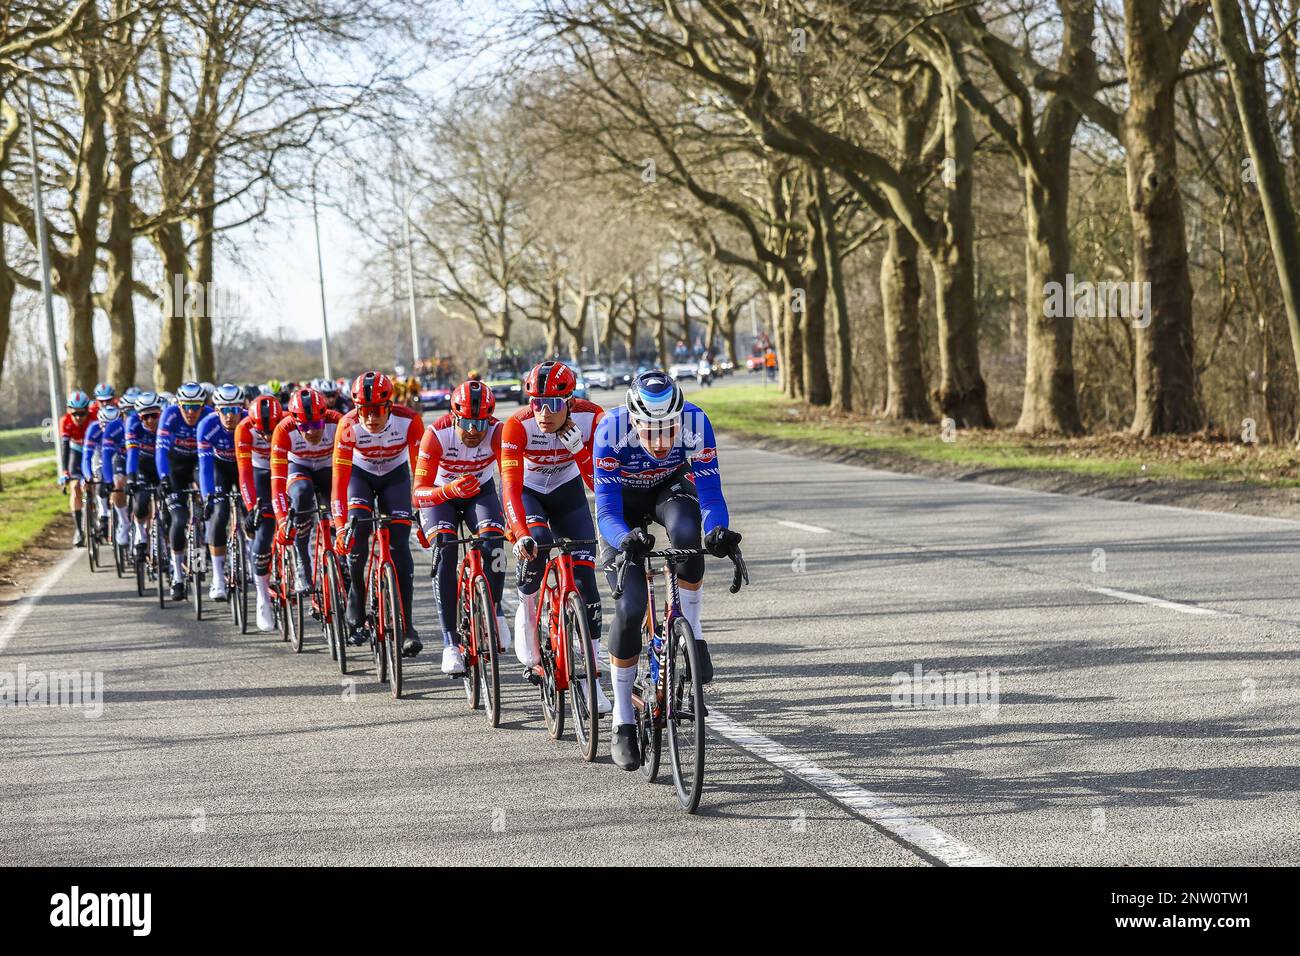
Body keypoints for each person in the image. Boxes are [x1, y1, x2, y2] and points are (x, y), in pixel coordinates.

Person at [592, 370, 742, 769]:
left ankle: (693, 633)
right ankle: (623, 719)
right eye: (650, 431)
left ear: (679, 418)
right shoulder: (609, 430)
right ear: (634, 421)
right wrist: (625, 539)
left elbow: (711, 493)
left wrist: (718, 531)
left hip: (668, 490)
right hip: (621, 506)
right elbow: (605, 510)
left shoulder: (697, 422)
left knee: (689, 536)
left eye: (668, 430)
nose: (660, 442)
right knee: (631, 606)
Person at [500, 361, 610, 712]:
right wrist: (519, 533)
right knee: (538, 546)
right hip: (529, 493)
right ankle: (528, 608)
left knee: (585, 579)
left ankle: (593, 676)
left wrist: (580, 451)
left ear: (571, 400)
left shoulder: (594, 418)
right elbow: (510, 489)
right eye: (536, 403)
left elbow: (601, 486)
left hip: (568, 492)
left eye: (553, 404)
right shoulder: (517, 425)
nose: (544, 413)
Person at [413, 380, 510, 675]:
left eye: (480, 422)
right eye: (466, 422)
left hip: (480, 492)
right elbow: (418, 492)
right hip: (441, 494)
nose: (473, 430)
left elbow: (510, 481)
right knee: (444, 551)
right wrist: (449, 490)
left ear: (489, 418)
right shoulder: (437, 434)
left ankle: (494, 609)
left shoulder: (497, 432)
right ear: (455, 417)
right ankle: (450, 644)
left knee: (494, 540)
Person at [331, 371, 423, 649]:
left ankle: (407, 626)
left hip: (396, 477)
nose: (371, 419)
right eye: (364, 411)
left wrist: (421, 508)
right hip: (360, 477)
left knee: (400, 547)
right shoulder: (347, 425)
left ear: (388, 406)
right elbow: (339, 480)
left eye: (377, 411)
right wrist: (339, 525)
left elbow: (421, 472)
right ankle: (357, 600)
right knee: (356, 534)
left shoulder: (409, 420)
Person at [270, 387, 341, 596]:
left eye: (316, 424)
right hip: (299, 467)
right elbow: (277, 481)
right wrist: (283, 521)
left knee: (338, 500)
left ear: (324, 416)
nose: (311, 432)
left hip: (329, 467)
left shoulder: (337, 422)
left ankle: (343, 559)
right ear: (294, 422)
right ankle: (303, 561)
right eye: (304, 426)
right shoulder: (283, 430)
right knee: (301, 492)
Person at [156, 382, 213, 600]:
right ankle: (178, 575)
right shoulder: (169, 416)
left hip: (199, 465)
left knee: (205, 509)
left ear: (203, 405)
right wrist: (163, 478)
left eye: (195, 406)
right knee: (179, 520)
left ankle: (200, 554)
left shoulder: (209, 414)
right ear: (178, 404)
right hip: (176, 468)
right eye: (186, 406)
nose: (190, 411)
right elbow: (161, 450)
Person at [236, 394, 286, 631]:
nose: (267, 437)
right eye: (262, 433)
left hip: (285, 470)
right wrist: (250, 508)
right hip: (260, 475)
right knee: (264, 531)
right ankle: (262, 596)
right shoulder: (244, 428)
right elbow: (244, 472)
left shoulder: (287, 422)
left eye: (272, 430)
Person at [197, 384, 248, 602]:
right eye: (224, 411)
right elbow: (205, 466)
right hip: (219, 469)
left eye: (234, 410)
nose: (229, 416)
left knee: (252, 513)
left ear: (241, 409)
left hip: (244, 468)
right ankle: (218, 578)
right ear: (216, 410)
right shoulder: (207, 426)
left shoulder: (249, 422)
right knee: (219, 516)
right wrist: (208, 496)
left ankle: (253, 561)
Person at [82, 403, 129, 549]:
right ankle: (104, 513)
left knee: (121, 481)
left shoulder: (124, 429)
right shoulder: (93, 430)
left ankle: (125, 513)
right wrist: (88, 476)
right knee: (100, 479)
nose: (108, 429)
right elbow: (86, 457)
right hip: (100, 458)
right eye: (104, 425)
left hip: (119, 456)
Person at [124, 391, 163, 564]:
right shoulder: (133, 425)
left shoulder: (166, 424)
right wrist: (130, 478)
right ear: (139, 416)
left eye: (154, 416)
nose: (150, 421)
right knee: (140, 503)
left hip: (163, 467)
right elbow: (132, 454)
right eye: (145, 417)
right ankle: (140, 536)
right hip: (143, 467)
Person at [59, 390, 93, 548]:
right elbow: (65, 447)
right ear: (69, 411)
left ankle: (102, 517)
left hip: (92, 451)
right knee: (75, 488)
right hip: (75, 452)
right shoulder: (65, 421)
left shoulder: (94, 418)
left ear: (88, 410)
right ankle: (79, 530)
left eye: (82, 413)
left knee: (96, 482)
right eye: (75, 414)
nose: (79, 417)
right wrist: (65, 470)